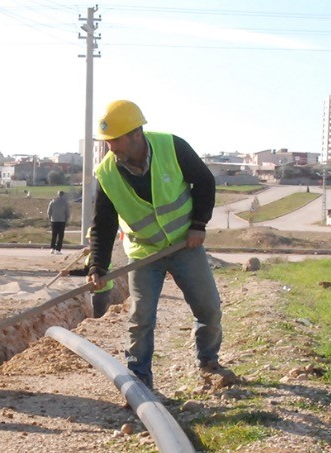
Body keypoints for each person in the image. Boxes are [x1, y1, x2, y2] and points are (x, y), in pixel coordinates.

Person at [87, 99, 229, 389]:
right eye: (107, 141)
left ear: (136, 134)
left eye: (115, 140)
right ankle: (139, 379)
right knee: (141, 319)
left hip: (184, 246)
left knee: (209, 308)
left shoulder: (172, 147)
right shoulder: (106, 173)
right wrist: (97, 265)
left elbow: (204, 181)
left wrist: (198, 225)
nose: (110, 147)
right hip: (145, 253)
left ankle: (208, 362)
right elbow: (103, 224)